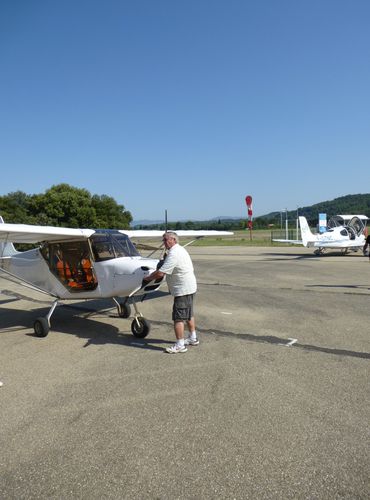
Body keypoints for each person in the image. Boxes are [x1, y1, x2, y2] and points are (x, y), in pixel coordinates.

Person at [143, 231, 198, 354]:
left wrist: (147, 278)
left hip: (182, 289)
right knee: (189, 313)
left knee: (178, 318)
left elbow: (161, 273)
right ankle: (193, 338)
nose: (163, 243)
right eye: (163, 240)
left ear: (173, 239)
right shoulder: (179, 249)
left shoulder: (174, 253)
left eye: (165, 240)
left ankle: (180, 345)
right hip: (190, 287)